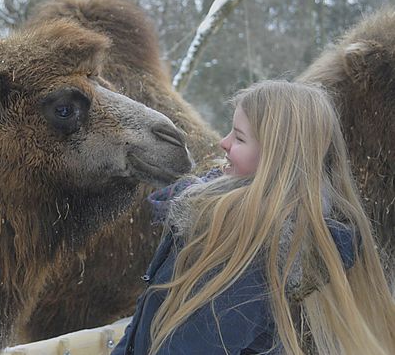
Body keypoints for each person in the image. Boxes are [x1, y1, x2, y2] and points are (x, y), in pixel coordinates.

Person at [112, 80, 395, 355]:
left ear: (276, 158)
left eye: (239, 137)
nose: (223, 142)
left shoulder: (246, 253)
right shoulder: (210, 215)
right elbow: (147, 317)